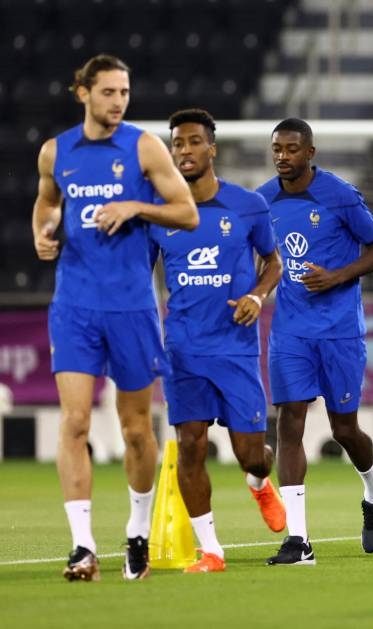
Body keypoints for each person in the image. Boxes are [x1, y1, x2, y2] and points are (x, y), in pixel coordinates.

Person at [31, 54, 198, 582]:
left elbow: (187, 212)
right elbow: (47, 203)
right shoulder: (56, 152)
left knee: (134, 429)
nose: (119, 101)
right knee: (75, 421)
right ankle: (82, 547)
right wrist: (44, 228)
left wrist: (135, 208)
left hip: (131, 307)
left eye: (124, 91)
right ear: (82, 93)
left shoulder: (144, 146)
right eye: (108, 92)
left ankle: (138, 533)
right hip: (75, 306)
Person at [148, 108, 285, 573]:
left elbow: (273, 262)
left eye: (192, 142)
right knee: (190, 444)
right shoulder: (160, 212)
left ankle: (260, 484)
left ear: (212, 149)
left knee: (252, 455)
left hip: (235, 348)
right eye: (177, 144)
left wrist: (257, 293)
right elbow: (139, 276)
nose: (183, 151)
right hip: (182, 348)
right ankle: (211, 550)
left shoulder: (248, 206)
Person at [257, 118, 373, 564]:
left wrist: (336, 276)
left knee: (343, 429)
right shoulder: (262, 201)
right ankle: (299, 540)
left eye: (292, 149)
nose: (282, 156)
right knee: (290, 420)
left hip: (339, 331)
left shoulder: (339, 195)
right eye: (277, 148)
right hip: (291, 331)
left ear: (310, 153)